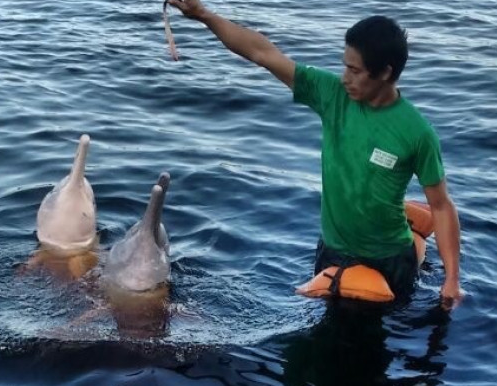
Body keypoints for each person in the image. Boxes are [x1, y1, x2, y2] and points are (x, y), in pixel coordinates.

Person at [167, 1, 464, 307]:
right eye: (344, 66)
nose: (344, 77)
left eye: (354, 70)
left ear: (386, 73)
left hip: (389, 261)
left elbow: (440, 206)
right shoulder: (332, 95)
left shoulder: (417, 132)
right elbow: (263, 53)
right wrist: (203, 15)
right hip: (332, 251)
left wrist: (452, 280)